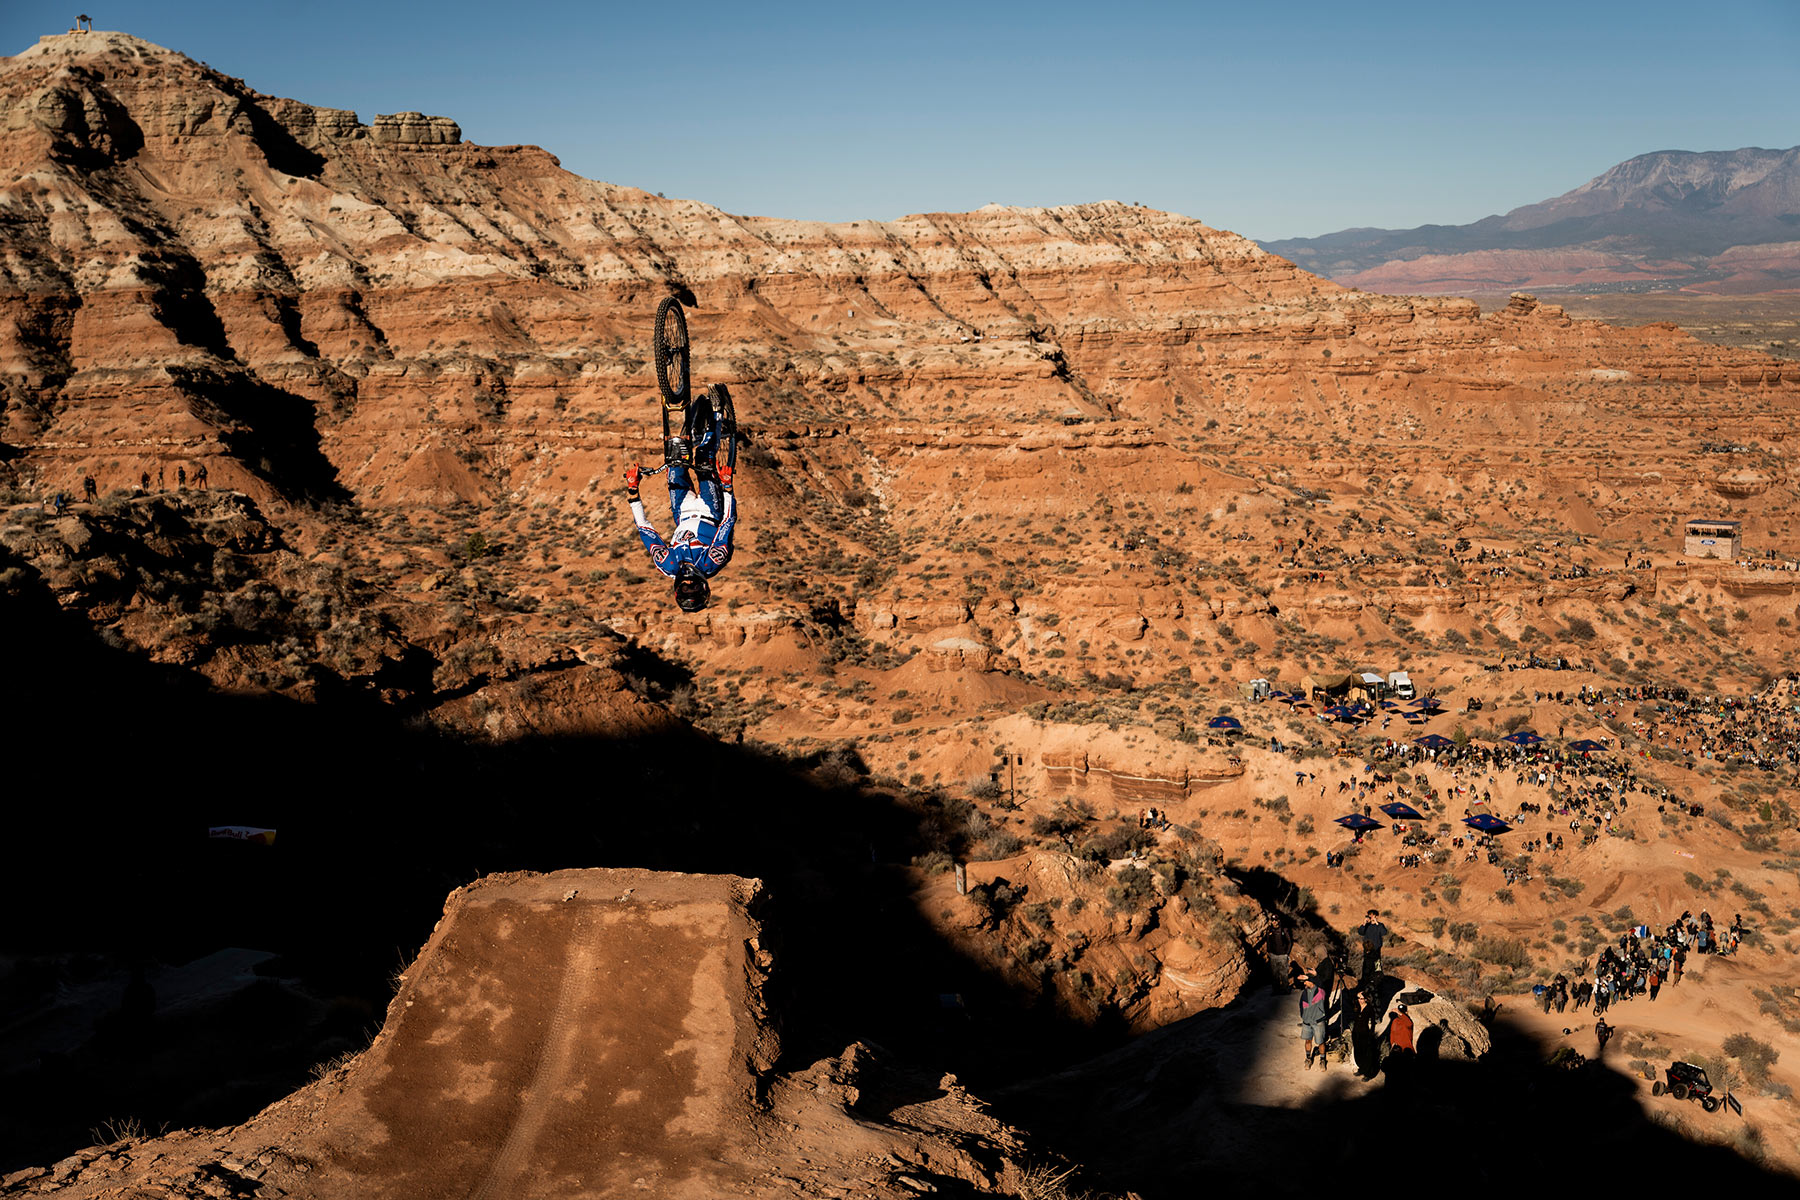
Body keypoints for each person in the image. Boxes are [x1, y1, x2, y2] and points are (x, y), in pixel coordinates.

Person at [623, 385, 737, 612]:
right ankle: (716, 415)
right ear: (704, 587)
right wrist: (727, 487)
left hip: (682, 511)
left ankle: (687, 430)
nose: (688, 584)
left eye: (685, 590)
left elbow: (644, 528)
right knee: (704, 459)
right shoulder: (712, 561)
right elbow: (727, 522)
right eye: (694, 589)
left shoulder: (667, 564)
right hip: (710, 511)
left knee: (675, 461)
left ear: (676, 589)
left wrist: (633, 490)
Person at [1298, 968, 1330, 1071]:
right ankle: (1308, 1058)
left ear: (1311, 981)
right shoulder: (1304, 993)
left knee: (1321, 1042)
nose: (1304, 984)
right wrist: (1304, 1017)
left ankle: (1322, 1060)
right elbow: (1301, 1006)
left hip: (1318, 1022)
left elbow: (1321, 982)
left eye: (1305, 982)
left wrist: (1313, 976)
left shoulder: (1320, 991)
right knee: (1308, 1041)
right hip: (1307, 1022)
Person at [1356, 909, 1388, 986]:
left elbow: (1384, 932)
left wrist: (1376, 922)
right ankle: (1365, 984)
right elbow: (1360, 932)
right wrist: (1364, 923)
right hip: (1367, 951)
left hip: (1376, 951)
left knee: (1377, 968)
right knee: (1367, 968)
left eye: (1372, 915)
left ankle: (1378, 983)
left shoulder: (1380, 925)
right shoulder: (1366, 926)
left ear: (1376, 916)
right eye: (1369, 915)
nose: (1371, 917)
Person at [1265, 921, 1292, 992]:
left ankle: (1285, 989)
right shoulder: (1269, 929)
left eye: (1275, 920)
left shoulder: (1284, 929)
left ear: (1278, 921)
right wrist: (1269, 952)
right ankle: (1276, 990)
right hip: (1273, 955)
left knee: (1284, 973)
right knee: (1274, 974)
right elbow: (1268, 941)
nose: (1274, 922)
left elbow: (1289, 942)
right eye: (1272, 920)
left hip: (1283, 955)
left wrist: (1287, 953)